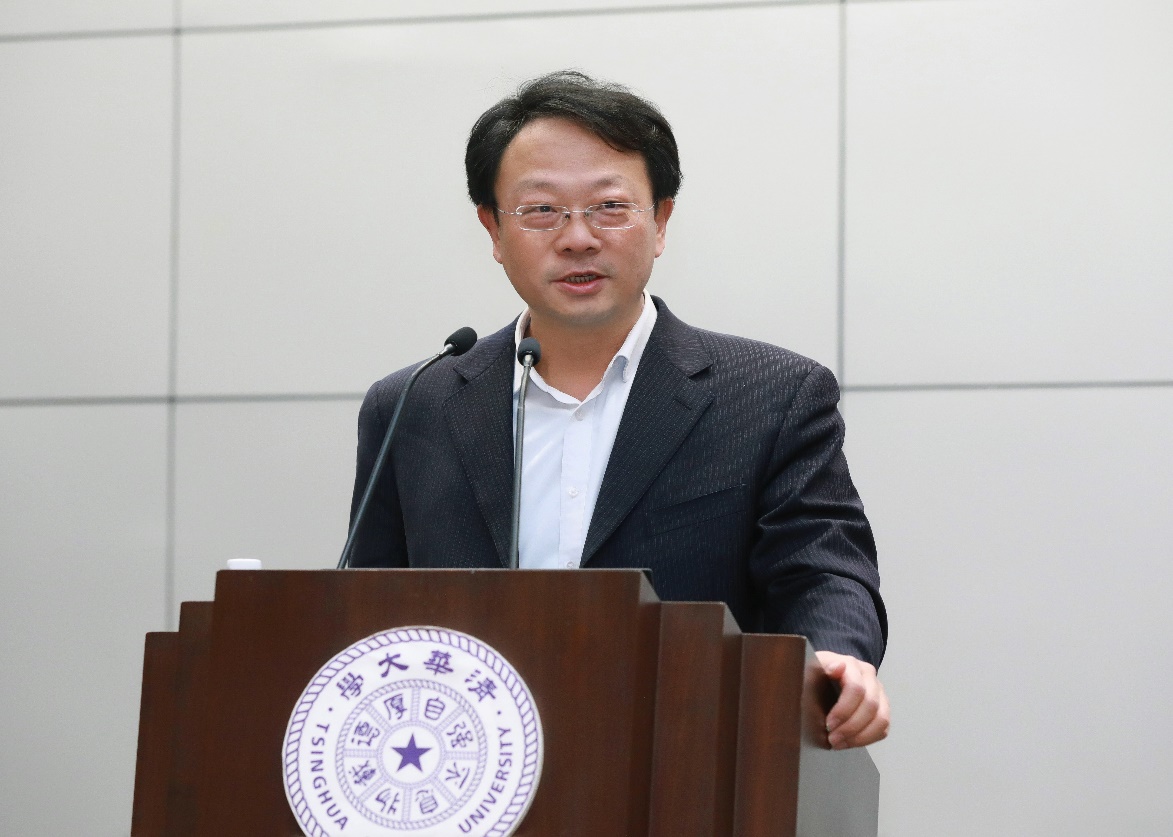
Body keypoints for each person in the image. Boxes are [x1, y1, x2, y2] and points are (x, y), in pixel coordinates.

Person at [349, 71, 889, 749]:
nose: (577, 238)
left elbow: (821, 568)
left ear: (660, 221)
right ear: (492, 228)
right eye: (540, 210)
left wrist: (837, 653)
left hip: (683, 757)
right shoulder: (413, 406)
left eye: (610, 207)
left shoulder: (771, 395)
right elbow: (362, 610)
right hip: (464, 766)